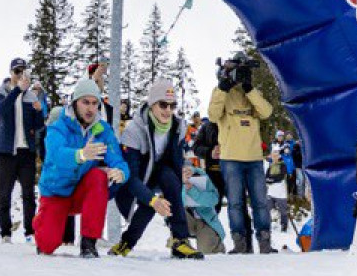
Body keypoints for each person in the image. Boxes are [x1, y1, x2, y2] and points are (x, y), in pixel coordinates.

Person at [33, 79, 169, 257]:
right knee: (47, 245)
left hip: (81, 192)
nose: (90, 108)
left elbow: (118, 160)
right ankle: (42, 221)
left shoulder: (102, 130)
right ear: (75, 103)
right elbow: (56, 154)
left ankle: (89, 242)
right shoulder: (59, 126)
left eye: (94, 103)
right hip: (56, 193)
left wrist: (121, 173)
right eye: (85, 102)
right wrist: (80, 155)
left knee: (99, 176)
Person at [111, 79, 201, 259]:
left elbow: (179, 155)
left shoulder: (178, 126)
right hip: (140, 175)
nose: (168, 110)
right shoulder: (134, 130)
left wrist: (185, 169)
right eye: (163, 104)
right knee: (150, 203)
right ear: (152, 104)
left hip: (162, 170)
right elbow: (131, 177)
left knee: (171, 181)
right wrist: (153, 200)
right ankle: (127, 242)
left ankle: (180, 240)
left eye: (172, 105)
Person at [208, 52, 275, 254]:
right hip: (230, 158)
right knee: (235, 203)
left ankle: (265, 243)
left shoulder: (251, 93)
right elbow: (212, 115)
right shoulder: (220, 93)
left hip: (254, 157)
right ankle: (240, 244)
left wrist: (249, 88)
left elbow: (266, 112)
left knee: (261, 203)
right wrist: (223, 88)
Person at [0, 57, 45, 243]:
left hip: (26, 151)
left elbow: (38, 126)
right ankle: (5, 233)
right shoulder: (0, 92)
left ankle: (30, 231)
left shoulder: (31, 96)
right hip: (6, 151)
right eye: (17, 72)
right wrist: (17, 90)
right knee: (4, 194)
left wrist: (39, 111)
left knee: (29, 194)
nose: (20, 75)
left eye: (23, 72)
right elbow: (2, 111)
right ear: (11, 73)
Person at [182, 157, 227, 255]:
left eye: (188, 170)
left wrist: (192, 190)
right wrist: (183, 185)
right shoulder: (173, 177)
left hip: (205, 220)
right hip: (186, 218)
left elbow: (213, 200)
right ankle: (179, 245)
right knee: (176, 218)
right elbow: (174, 201)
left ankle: (217, 245)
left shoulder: (201, 176)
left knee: (207, 253)